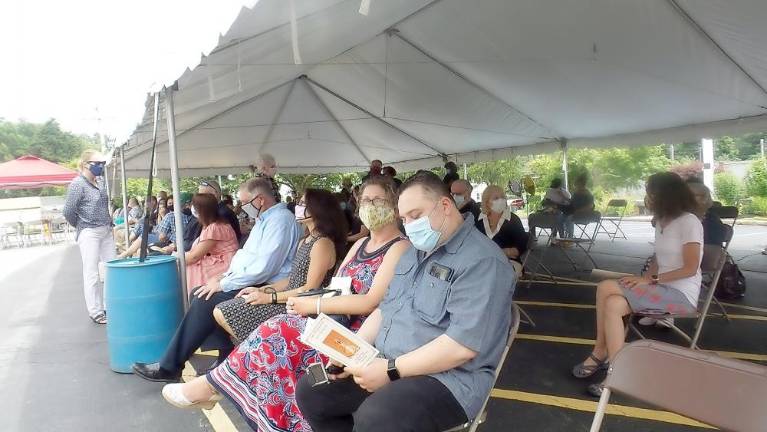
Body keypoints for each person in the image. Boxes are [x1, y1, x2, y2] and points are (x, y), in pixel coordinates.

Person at [160, 177, 409, 432]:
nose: (370, 205)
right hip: (332, 318)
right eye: (365, 199)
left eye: (377, 200)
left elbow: (370, 302)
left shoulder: (399, 247)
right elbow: (335, 287)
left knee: (277, 331)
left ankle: (211, 387)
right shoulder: (359, 244)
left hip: (359, 332)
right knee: (274, 331)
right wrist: (301, 302)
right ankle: (237, 397)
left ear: (393, 204)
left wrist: (311, 306)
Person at [295, 171, 516, 432]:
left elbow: (461, 347)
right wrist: (352, 352)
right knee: (313, 391)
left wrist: (390, 370)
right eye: (404, 219)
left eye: (416, 215)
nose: (410, 226)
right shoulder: (414, 253)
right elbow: (386, 309)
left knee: (377, 416)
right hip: (388, 361)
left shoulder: (483, 261)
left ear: (445, 206)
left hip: (447, 379)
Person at [131, 177, 302, 383]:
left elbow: (264, 268)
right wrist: (223, 277)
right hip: (253, 278)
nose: (242, 207)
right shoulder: (264, 220)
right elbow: (244, 257)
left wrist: (223, 283)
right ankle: (223, 355)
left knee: (205, 298)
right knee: (199, 292)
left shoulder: (280, 220)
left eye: (245, 203)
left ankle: (170, 366)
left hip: (267, 285)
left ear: (260, 200)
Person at [571, 172, 702, 397]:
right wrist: (645, 279)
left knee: (605, 287)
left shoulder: (689, 222)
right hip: (660, 289)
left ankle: (599, 351)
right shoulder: (662, 221)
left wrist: (650, 281)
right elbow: (658, 259)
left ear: (665, 194)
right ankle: (617, 371)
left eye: (650, 192)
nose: (647, 197)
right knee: (613, 304)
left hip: (681, 297)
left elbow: (690, 268)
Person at [212, 188, 348, 342]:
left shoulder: (322, 243)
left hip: (297, 305)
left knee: (224, 311)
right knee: (224, 309)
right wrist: (260, 290)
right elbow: (292, 279)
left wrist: (268, 297)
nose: (298, 206)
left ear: (318, 209)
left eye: (303, 203)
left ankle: (258, 350)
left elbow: (309, 289)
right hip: (288, 298)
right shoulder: (306, 240)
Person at [63, 150, 115, 325]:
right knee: (91, 272)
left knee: (111, 269)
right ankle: (96, 311)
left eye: (102, 163)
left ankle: (110, 306)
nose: (100, 166)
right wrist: (81, 225)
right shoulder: (78, 184)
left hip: (105, 229)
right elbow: (68, 211)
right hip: (89, 231)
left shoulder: (100, 182)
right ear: (86, 164)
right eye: (97, 163)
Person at [184, 193, 239, 294]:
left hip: (226, 265)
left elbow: (194, 257)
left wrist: (175, 258)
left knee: (193, 266)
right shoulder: (214, 224)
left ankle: (196, 296)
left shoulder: (215, 228)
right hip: (223, 262)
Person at [476, 185, 528, 275]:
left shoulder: (513, 219)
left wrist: (496, 253)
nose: (501, 200)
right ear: (487, 202)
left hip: (509, 262)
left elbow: (519, 248)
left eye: (503, 197)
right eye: (496, 198)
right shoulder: (478, 221)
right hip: (482, 263)